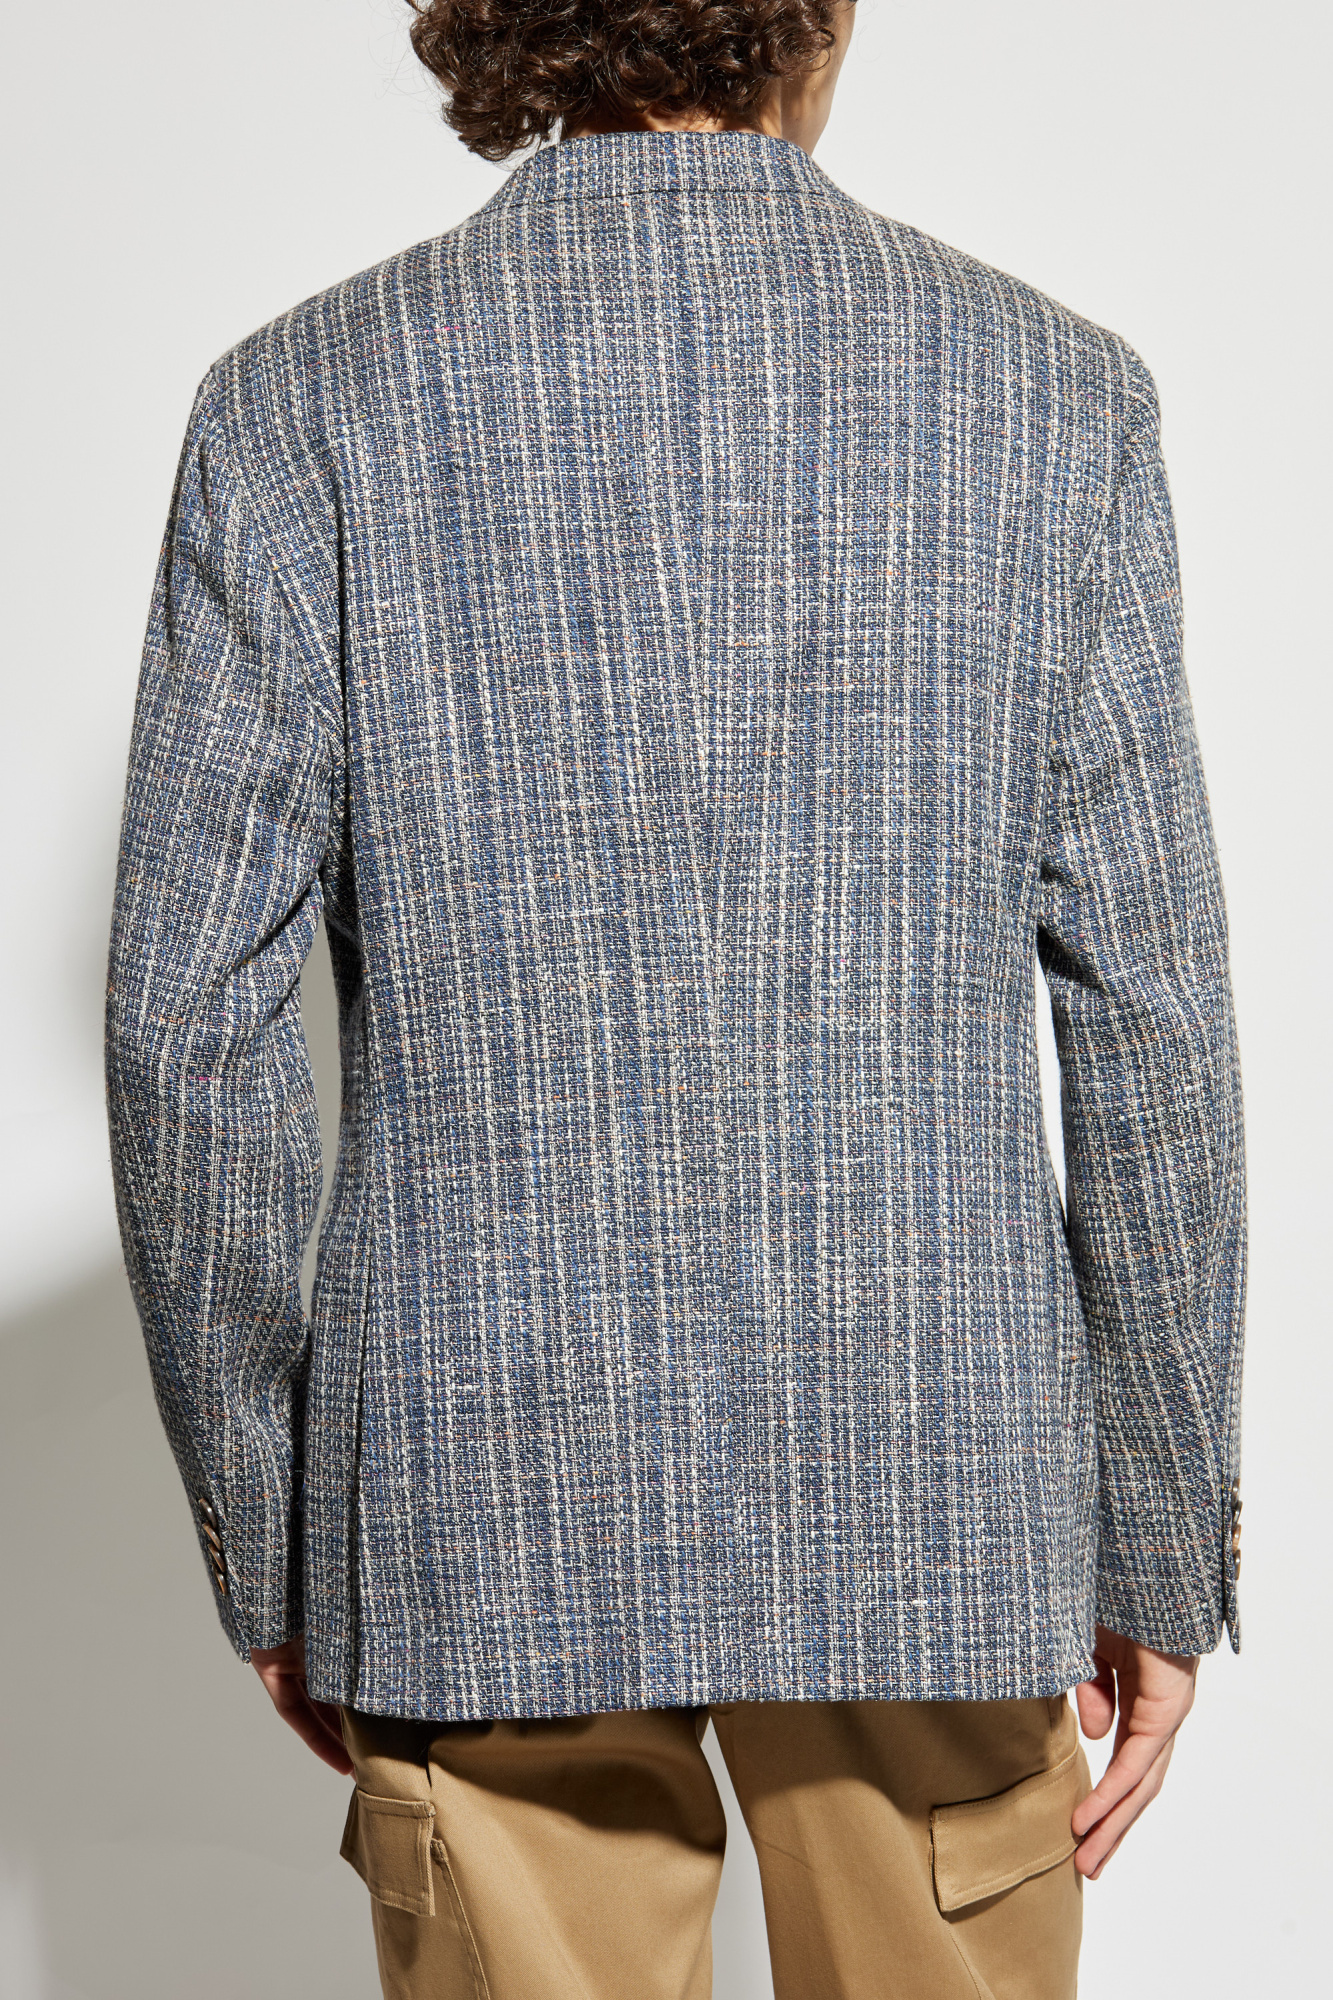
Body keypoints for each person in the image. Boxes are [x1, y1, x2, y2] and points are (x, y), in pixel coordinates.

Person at [105, 2, 1246, 1994]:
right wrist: (1156, 1536)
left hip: (477, 1489)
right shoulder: (1052, 397)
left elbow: (181, 1019)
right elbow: (1147, 1011)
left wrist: (276, 1535)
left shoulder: (303, 401)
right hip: (929, 1470)